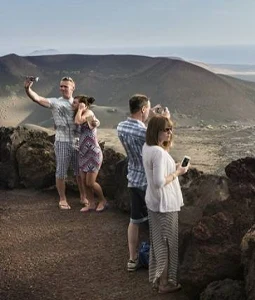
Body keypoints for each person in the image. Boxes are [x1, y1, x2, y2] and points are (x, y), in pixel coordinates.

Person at [24, 76, 94, 209]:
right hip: (62, 141)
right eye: (61, 86)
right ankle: (62, 198)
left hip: (78, 141)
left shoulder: (79, 103)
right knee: (61, 171)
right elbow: (37, 98)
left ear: (73, 87)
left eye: (65, 86)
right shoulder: (55, 102)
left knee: (79, 171)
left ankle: (83, 196)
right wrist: (28, 88)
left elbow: (90, 117)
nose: (62, 88)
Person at [117, 94, 167, 272]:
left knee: (135, 220)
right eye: (148, 109)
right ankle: (158, 262)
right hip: (148, 181)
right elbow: (161, 145)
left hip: (133, 179)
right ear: (143, 109)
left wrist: (150, 116)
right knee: (157, 221)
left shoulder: (121, 127)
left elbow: (141, 133)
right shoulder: (143, 132)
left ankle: (132, 259)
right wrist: (164, 121)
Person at [142, 115, 189, 294]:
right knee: (168, 244)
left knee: (158, 243)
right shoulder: (159, 153)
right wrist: (178, 172)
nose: (170, 133)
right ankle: (165, 284)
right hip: (165, 204)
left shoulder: (148, 147)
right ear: (156, 131)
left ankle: (158, 279)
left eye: (171, 129)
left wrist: (173, 168)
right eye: (166, 129)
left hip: (154, 202)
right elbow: (159, 182)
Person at [73, 95, 108, 212]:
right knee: (83, 182)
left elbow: (78, 122)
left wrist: (80, 109)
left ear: (83, 105)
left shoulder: (88, 113)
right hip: (83, 153)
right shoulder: (77, 114)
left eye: (75, 103)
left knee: (90, 182)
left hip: (93, 153)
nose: (73, 105)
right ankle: (91, 204)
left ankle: (103, 200)